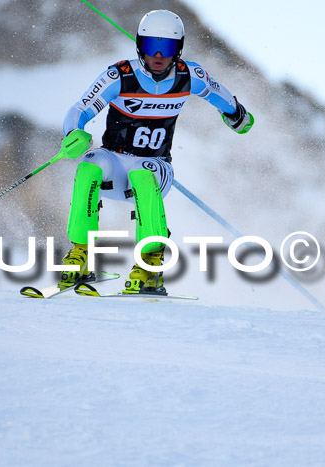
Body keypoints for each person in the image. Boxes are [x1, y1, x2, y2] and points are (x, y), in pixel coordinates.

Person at [59, 9, 254, 295]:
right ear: (140, 45)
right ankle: (81, 253)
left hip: (156, 167)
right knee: (88, 165)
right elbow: (81, 108)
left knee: (142, 173)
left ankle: (150, 262)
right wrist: (73, 133)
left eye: (168, 48)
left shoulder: (189, 75)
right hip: (115, 164)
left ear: (179, 49)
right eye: (152, 46)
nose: (159, 55)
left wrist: (237, 115)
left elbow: (220, 95)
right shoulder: (120, 76)